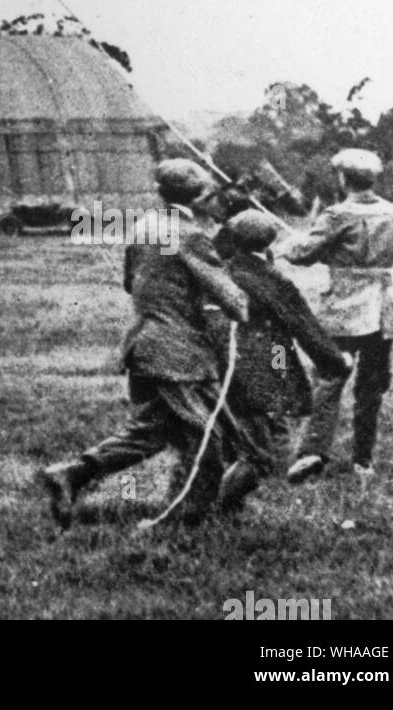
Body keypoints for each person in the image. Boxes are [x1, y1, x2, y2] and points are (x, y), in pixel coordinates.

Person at [40, 159, 250, 529]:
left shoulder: (146, 225)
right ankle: (183, 521)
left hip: (146, 343)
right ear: (198, 196)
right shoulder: (190, 235)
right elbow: (235, 303)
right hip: (178, 352)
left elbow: (129, 281)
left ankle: (72, 474)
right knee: (209, 440)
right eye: (211, 193)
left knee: (153, 431)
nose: (216, 200)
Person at [208, 210, 353, 512]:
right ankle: (218, 506)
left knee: (244, 428)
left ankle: (223, 493)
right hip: (261, 363)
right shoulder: (271, 279)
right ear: (270, 240)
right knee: (263, 452)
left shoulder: (221, 270)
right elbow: (304, 327)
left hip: (217, 361)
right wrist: (336, 361)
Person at [284, 149, 393, 482]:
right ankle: (363, 460)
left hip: (346, 306)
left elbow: (300, 255)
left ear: (342, 178)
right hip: (385, 305)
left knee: (329, 377)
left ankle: (312, 452)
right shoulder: (392, 211)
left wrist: (291, 242)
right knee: (372, 385)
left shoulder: (336, 214)